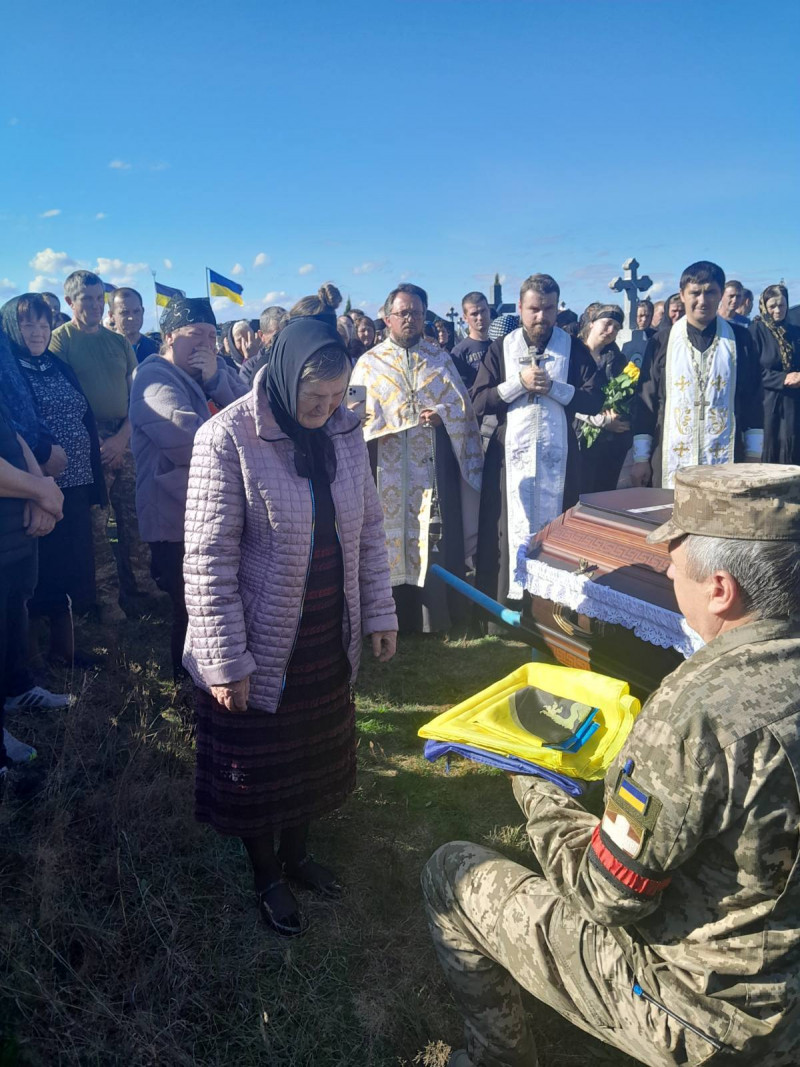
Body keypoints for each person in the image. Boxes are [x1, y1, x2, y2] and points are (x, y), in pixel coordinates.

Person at [423, 463, 800, 1067]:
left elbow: (606, 896)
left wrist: (531, 776)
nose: (669, 569)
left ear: (721, 589)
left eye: (675, 562)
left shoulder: (695, 714)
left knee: (450, 873)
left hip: (708, 1021)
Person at [183, 317, 397, 936]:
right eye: (314, 400)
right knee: (259, 763)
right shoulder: (228, 438)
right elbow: (207, 558)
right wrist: (226, 661)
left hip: (326, 626)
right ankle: (265, 873)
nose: (326, 411)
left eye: (337, 398)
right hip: (259, 635)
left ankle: (298, 855)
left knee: (313, 750)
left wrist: (379, 610)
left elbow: (370, 529)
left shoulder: (344, 431)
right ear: (282, 375)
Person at [349, 283, 483, 633]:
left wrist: (442, 415)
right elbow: (350, 415)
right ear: (388, 317)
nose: (411, 319)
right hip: (385, 472)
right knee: (384, 541)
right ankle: (388, 619)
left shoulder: (440, 358)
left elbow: (462, 409)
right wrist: (375, 421)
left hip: (431, 471)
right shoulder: (368, 363)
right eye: (403, 313)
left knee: (434, 537)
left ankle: (436, 618)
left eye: (417, 313)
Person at [129, 297, 246, 680]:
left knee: (212, 604)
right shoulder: (153, 378)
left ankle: (208, 683)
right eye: (195, 334)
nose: (206, 344)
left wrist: (216, 379)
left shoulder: (215, 372)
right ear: (168, 337)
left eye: (212, 335)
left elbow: (254, 413)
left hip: (213, 511)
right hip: (175, 517)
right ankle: (185, 689)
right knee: (191, 608)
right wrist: (242, 452)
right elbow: (187, 439)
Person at [471, 274, 603, 606]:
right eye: (533, 309)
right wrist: (518, 383)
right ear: (520, 307)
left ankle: (554, 605)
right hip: (509, 460)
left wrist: (554, 389)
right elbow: (477, 401)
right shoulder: (500, 348)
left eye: (547, 309)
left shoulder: (573, 349)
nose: (540, 317)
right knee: (504, 527)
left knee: (560, 526)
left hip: (559, 462)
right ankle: (506, 605)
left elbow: (594, 400)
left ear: (557, 308)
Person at [0, 295, 105, 668]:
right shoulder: (8, 370)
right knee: (33, 573)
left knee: (70, 566)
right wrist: (43, 458)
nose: (37, 332)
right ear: (12, 327)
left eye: (44, 325)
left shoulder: (56, 365)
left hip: (71, 486)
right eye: (28, 324)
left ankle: (65, 650)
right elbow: (13, 425)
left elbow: (82, 415)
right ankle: (26, 660)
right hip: (30, 487)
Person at [49, 270, 147, 621]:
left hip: (124, 434)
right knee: (95, 524)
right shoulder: (60, 342)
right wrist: (98, 442)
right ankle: (105, 599)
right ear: (70, 302)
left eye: (97, 298)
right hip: (83, 440)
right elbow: (60, 399)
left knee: (133, 516)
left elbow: (138, 396)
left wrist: (122, 438)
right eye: (85, 299)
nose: (93, 305)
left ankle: (140, 587)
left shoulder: (118, 342)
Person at [632, 261, 763, 489]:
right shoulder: (662, 342)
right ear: (682, 294)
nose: (702, 301)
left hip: (727, 456)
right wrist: (641, 458)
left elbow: (753, 399)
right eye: (695, 293)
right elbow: (646, 400)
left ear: (721, 294)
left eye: (710, 292)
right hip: (670, 456)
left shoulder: (740, 340)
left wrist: (754, 454)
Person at [0, 396, 68, 791]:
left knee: (12, 614)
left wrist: (40, 489)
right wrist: (40, 490)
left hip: (14, 530)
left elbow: (13, 434)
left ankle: (16, 689)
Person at [575, 304, 631, 493]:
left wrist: (617, 417)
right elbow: (569, 398)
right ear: (591, 324)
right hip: (578, 436)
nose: (611, 331)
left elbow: (624, 397)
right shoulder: (573, 355)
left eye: (616, 328)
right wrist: (602, 421)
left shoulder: (617, 360)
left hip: (608, 443)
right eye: (607, 324)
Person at [751, 284, 800, 465]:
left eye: (782, 305)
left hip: (793, 402)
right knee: (771, 448)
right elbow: (752, 369)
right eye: (773, 306)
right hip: (767, 402)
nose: (778, 311)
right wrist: (783, 378)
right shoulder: (756, 331)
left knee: (792, 446)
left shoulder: (793, 332)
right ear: (764, 306)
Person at [239, 305, 289, 387]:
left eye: (287, 334)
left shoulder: (296, 360)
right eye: (277, 336)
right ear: (261, 335)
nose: (284, 340)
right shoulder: (250, 368)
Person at [450, 292, 491, 389]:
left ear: (489, 311)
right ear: (465, 318)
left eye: (483, 311)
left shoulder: (497, 347)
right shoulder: (459, 352)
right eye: (474, 314)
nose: (480, 318)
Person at [110, 287, 159, 363]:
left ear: (142, 311)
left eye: (136, 311)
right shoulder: (102, 350)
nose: (131, 318)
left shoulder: (157, 351)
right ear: (111, 316)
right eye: (124, 313)